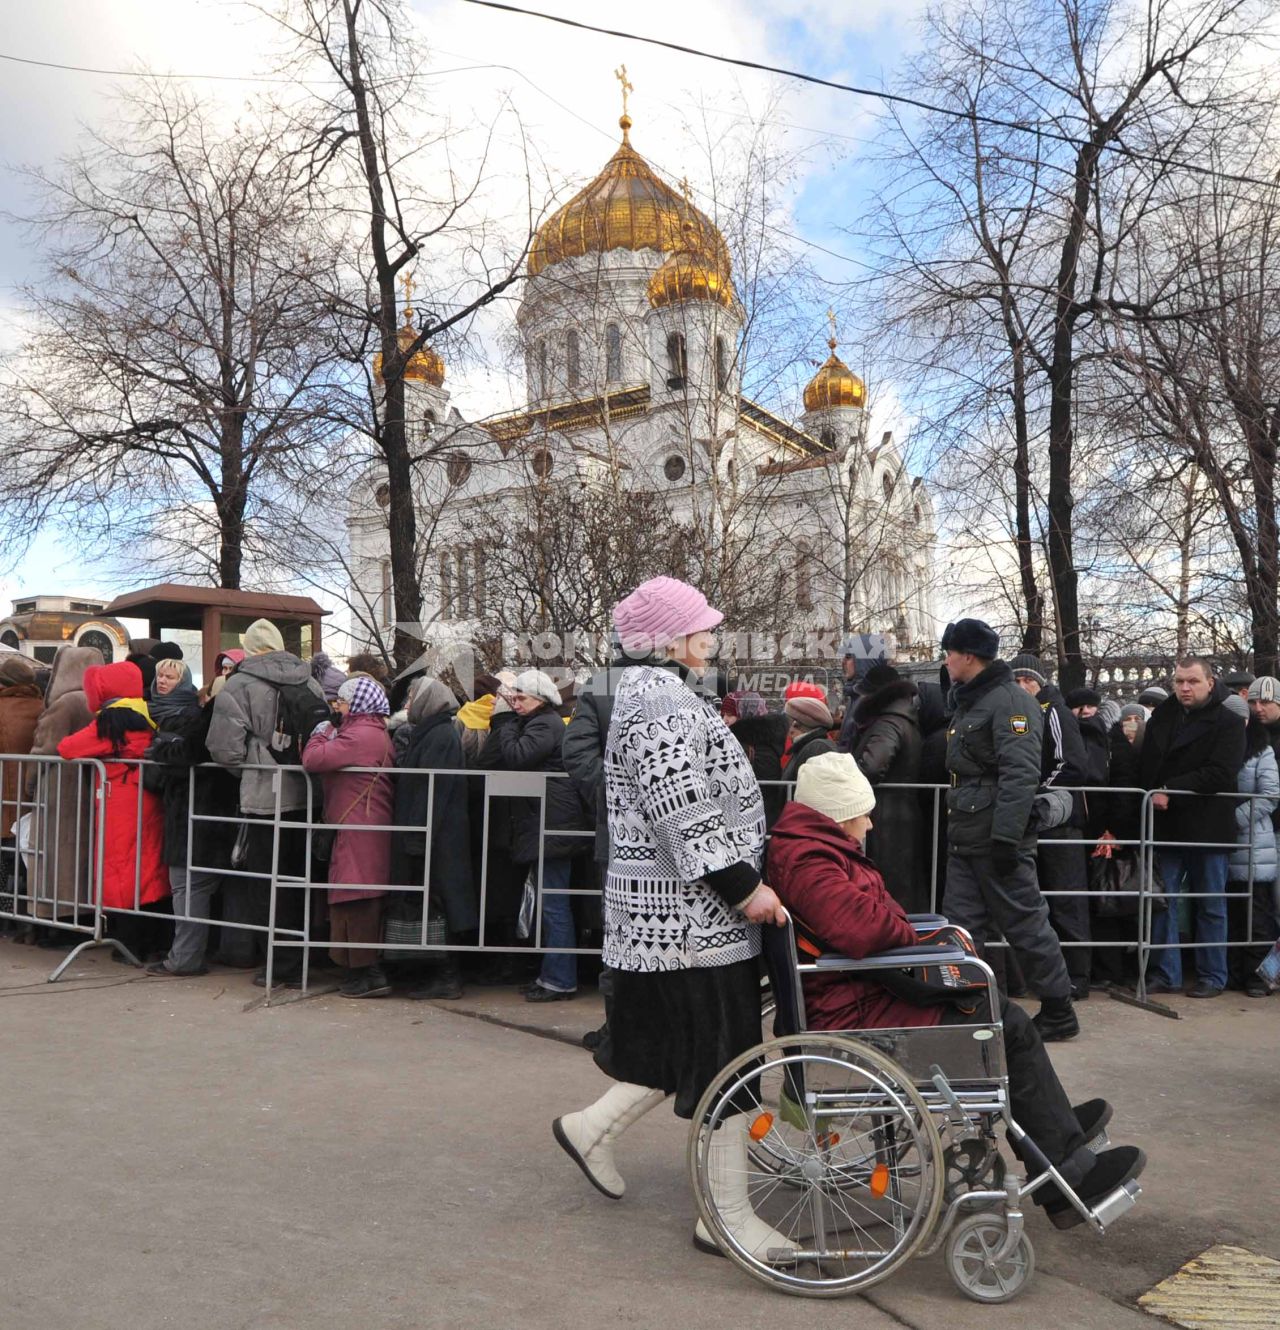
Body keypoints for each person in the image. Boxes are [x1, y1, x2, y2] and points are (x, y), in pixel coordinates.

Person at [766, 750, 1146, 1230]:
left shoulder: (809, 849)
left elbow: (864, 924)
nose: (870, 825)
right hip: (854, 1010)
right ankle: (1063, 1168)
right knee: (1003, 1024)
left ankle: (1055, 1134)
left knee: (998, 1014)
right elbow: (862, 928)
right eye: (863, 814)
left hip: (857, 993)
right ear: (839, 815)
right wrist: (908, 932)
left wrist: (907, 930)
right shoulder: (810, 859)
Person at [553, 575, 792, 1261]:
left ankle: (590, 1129)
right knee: (726, 1062)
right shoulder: (659, 702)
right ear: (669, 638)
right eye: (701, 626)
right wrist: (746, 889)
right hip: (692, 921)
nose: (712, 636)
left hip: (680, 918)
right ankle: (725, 1218)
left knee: (688, 1050)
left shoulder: (655, 695)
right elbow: (681, 812)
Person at [939, 619, 1078, 1042]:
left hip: (997, 839)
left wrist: (1006, 838)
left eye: (949, 653)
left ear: (968, 656)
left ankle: (1058, 1009)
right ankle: (970, 1008)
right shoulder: (971, 701)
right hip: (966, 836)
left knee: (1026, 925)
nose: (945, 661)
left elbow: (1020, 775)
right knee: (959, 929)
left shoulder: (1012, 702)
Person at [206, 618, 330, 987]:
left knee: (267, 884)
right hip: (307, 794)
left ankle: (281, 964)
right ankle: (308, 957)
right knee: (302, 880)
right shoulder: (310, 681)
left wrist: (252, 768)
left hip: (264, 798)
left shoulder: (239, 683)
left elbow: (223, 749)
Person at [1139, 657, 1246, 997]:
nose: (1185, 687)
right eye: (1180, 681)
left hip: (1207, 825)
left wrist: (1172, 791)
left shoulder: (1227, 722)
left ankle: (1213, 975)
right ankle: (1166, 973)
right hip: (1167, 825)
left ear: (1210, 683)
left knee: (1211, 904)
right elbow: (1147, 767)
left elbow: (1222, 771)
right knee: (1163, 902)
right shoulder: (1162, 719)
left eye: (1193, 681)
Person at [484, 668, 591, 1002]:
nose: (515, 703)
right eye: (513, 698)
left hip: (552, 826)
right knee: (548, 902)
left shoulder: (546, 724)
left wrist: (502, 722)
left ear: (541, 699)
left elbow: (516, 757)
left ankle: (560, 979)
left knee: (553, 904)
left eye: (521, 698)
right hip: (545, 824)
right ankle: (552, 975)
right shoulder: (538, 722)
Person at [57, 661, 170, 958]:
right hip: (147, 799)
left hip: (119, 803)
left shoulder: (110, 722)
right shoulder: (145, 714)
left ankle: (129, 943)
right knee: (150, 869)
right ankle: (156, 941)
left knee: (121, 872)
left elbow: (67, 748)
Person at [143, 658, 240, 976]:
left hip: (195, 813)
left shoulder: (204, 716)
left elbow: (188, 753)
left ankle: (185, 958)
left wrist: (159, 751)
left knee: (188, 887)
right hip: (215, 813)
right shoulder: (219, 714)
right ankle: (214, 953)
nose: (162, 681)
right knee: (207, 887)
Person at [302, 676, 396, 998]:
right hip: (364, 827)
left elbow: (313, 759)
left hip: (358, 830)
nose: (337, 707)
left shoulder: (359, 736)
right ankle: (364, 971)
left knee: (353, 900)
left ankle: (363, 974)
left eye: (341, 701)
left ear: (357, 704)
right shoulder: (373, 732)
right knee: (357, 899)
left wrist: (320, 735)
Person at [1011, 656, 1093, 1002]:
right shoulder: (1029, 712)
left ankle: (1078, 975)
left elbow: (1071, 765)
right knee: (1042, 901)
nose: (1014, 689)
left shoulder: (1054, 711)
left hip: (1059, 822)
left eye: (1020, 681)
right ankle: (1052, 976)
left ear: (1032, 682)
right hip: (1039, 820)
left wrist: (1036, 792)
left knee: (1066, 899)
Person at [392, 677, 475, 1000]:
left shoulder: (439, 735)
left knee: (443, 902)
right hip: (438, 831)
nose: (407, 704)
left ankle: (448, 975)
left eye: (412, 697)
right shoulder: (433, 731)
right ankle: (438, 971)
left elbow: (433, 789)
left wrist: (418, 832)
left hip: (440, 834)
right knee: (436, 900)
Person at [22, 647, 100, 934]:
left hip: (57, 791)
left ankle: (51, 923)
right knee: (81, 857)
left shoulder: (64, 704)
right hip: (89, 789)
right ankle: (80, 918)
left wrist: (30, 784)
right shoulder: (97, 703)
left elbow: (43, 749)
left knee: (51, 860)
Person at [847, 663, 928, 914]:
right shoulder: (903, 720)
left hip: (886, 819)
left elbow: (870, 768)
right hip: (897, 816)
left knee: (891, 890)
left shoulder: (888, 723)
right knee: (902, 889)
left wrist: (841, 772)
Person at [1220, 694, 1279, 996]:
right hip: (1226, 846)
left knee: (1258, 916)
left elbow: (1270, 794)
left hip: (1255, 844)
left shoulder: (1261, 751)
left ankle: (1259, 977)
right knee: (1232, 915)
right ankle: (1233, 974)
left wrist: (1232, 819)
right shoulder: (1216, 750)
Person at [0, 656, 44, 937]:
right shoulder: (43, 707)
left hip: (4, 796)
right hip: (35, 795)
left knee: (3, 859)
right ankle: (32, 921)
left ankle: (5, 917)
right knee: (31, 860)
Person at [723, 690, 788, 827]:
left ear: (743, 713)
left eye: (730, 715)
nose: (724, 720)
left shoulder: (759, 748)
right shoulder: (755, 742)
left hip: (757, 821)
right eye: (722, 715)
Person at [783, 688, 836, 780]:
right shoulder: (806, 745)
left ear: (797, 724)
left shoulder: (817, 749)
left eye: (789, 721)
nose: (788, 730)